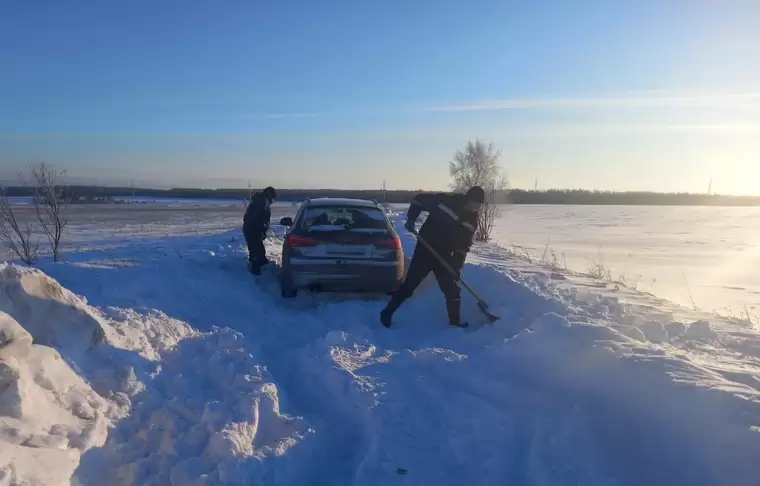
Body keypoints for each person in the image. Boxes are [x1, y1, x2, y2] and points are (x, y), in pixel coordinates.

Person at [380, 186, 485, 328]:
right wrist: (411, 219)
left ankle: (455, 323)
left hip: (445, 255)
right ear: (469, 199)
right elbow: (419, 200)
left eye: (480, 204)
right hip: (425, 249)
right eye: (476, 203)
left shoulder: (472, 220)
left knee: (452, 290)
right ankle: (387, 313)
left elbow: (463, 246)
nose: (477, 207)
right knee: (410, 286)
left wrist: (457, 266)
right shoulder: (447, 201)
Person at [243, 186, 276, 275]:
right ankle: (255, 274)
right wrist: (261, 229)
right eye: (273, 198)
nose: (273, 200)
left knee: (258, 252)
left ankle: (260, 267)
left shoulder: (260, 200)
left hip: (251, 229)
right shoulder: (261, 202)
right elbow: (257, 218)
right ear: (270, 195)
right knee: (256, 253)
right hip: (253, 230)